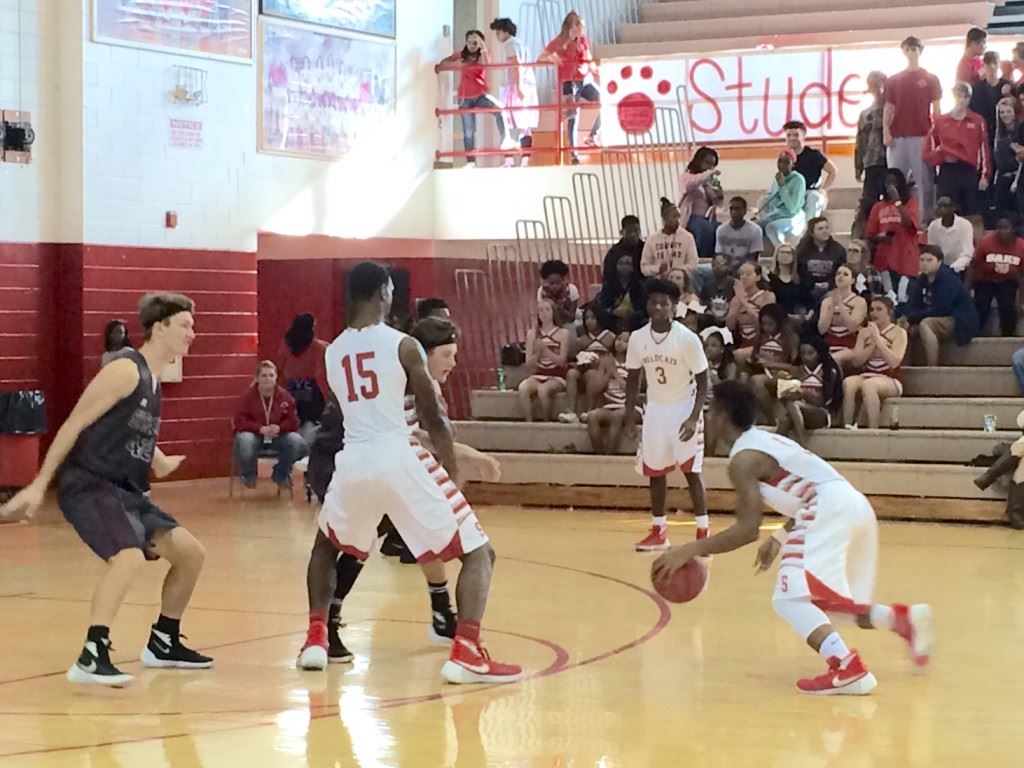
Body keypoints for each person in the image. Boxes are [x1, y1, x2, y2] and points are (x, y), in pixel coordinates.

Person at [299, 262, 520, 683]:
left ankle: (315, 638)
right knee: (478, 552)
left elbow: (347, 409)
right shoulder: (403, 345)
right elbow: (433, 416)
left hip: (354, 456)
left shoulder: (332, 352)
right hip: (398, 453)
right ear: (384, 293)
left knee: (327, 545)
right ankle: (468, 650)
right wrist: (452, 471)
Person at [652, 379, 934, 695]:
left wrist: (688, 550)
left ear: (721, 415)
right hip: (851, 505)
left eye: (708, 412)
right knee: (829, 605)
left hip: (828, 508)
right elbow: (805, 489)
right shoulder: (764, 440)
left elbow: (747, 530)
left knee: (789, 599)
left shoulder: (743, 460)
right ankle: (902, 620)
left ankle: (848, 667)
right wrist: (780, 538)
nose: (704, 420)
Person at [1, 293, 211, 686]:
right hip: (89, 484)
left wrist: (158, 458)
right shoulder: (125, 370)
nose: (192, 334)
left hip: (127, 491)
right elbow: (74, 423)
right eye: (185, 325)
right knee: (127, 556)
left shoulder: (152, 377)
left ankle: (164, 640)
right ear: (160, 327)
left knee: (190, 555)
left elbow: (130, 423)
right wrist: (38, 484)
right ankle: (91, 654)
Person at [323, 316, 499, 662]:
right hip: (372, 462)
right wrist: (464, 456)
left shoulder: (405, 374)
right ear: (424, 353)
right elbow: (415, 435)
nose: (453, 362)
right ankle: (455, 634)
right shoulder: (411, 379)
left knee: (393, 539)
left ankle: (435, 611)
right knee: (468, 546)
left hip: (363, 462)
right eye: (447, 355)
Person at [623, 278, 710, 552]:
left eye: (665, 303)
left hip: (684, 407)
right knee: (656, 472)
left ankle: (703, 532)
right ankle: (659, 531)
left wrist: (694, 416)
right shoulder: (637, 338)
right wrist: (629, 416)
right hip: (656, 411)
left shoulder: (687, 339)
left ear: (674, 307)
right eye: (654, 302)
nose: (658, 307)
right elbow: (633, 379)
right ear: (647, 305)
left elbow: (704, 379)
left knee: (691, 471)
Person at [884, 37, 942, 219]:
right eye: (908, 49)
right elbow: (889, 107)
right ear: (904, 52)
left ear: (920, 51)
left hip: (921, 135)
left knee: (924, 180)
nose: (911, 53)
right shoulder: (894, 80)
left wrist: (936, 135)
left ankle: (925, 218)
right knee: (895, 179)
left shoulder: (930, 79)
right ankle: (896, 217)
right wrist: (886, 131)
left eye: (915, 49)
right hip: (898, 136)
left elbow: (937, 109)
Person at [232, 360, 308, 490]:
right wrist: (260, 428)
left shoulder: (285, 396)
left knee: (297, 441)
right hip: (255, 436)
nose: (268, 379)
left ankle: (281, 473)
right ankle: (249, 475)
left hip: (277, 436)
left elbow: (294, 421)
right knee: (244, 439)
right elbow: (239, 422)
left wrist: (279, 428)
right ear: (257, 378)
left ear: (276, 377)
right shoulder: (247, 396)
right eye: (264, 375)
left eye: (271, 375)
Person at [436, 30, 507, 168]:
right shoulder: (461, 55)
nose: (471, 45)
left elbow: (487, 64)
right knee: (468, 131)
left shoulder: (483, 55)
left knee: (500, 109)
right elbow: (444, 63)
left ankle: (505, 140)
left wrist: (483, 47)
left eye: (475, 42)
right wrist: (455, 64)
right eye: (469, 42)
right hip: (465, 97)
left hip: (480, 94)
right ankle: (470, 161)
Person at [899, 246, 979, 366]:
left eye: (929, 260)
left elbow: (941, 309)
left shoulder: (948, 278)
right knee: (903, 324)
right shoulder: (922, 279)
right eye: (922, 260)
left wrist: (913, 317)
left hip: (959, 319)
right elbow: (913, 304)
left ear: (939, 262)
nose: (925, 264)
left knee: (926, 324)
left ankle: (932, 366)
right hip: (936, 317)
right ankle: (902, 365)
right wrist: (908, 319)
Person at [923, 82, 991, 224]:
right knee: (946, 213)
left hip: (969, 170)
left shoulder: (978, 121)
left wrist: (985, 175)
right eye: (959, 95)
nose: (962, 100)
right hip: (948, 170)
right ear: (954, 96)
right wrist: (941, 156)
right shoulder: (941, 121)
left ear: (969, 99)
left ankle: (973, 245)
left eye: (965, 96)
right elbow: (928, 148)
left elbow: (984, 148)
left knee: (972, 214)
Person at [541, 10, 600, 164]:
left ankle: (593, 134)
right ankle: (573, 153)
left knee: (603, 99)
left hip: (584, 78)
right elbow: (542, 56)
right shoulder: (559, 41)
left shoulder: (583, 40)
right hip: (569, 80)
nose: (582, 30)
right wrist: (554, 57)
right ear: (572, 26)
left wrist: (593, 69)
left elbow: (588, 57)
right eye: (580, 26)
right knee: (573, 115)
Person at [844, 297, 908, 429]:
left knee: (869, 385)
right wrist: (872, 344)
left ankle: (873, 429)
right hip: (867, 375)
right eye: (872, 309)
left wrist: (878, 340)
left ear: (889, 312)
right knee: (848, 383)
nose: (874, 313)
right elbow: (856, 361)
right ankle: (847, 426)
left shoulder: (899, 333)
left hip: (890, 379)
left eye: (879, 309)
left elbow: (894, 362)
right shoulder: (864, 332)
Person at [772, 336, 844, 447]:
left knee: (792, 406)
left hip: (821, 414)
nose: (806, 357)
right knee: (785, 418)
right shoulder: (798, 371)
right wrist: (786, 391)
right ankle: (776, 450)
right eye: (803, 353)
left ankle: (803, 444)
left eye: (810, 353)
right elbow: (783, 394)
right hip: (797, 411)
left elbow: (825, 402)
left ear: (819, 354)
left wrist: (803, 393)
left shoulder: (829, 372)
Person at [865, 168, 921, 304]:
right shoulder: (878, 207)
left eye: (894, 182)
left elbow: (910, 225)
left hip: (906, 261)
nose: (890, 186)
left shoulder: (911, 203)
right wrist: (881, 237)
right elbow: (869, 235)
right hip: (884, 261)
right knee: (888, 301)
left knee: (904, 301)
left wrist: (897, 202)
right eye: (888, 182)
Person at [489, 18, 538, 167]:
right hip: (528, 85)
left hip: (516, 86)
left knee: (508, 123)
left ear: (505, 32)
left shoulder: (510, 45)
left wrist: (518, 86)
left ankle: (509, 160)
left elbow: (516, 65)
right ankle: (525, 159)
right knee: (526, 125)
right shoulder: (522, 44)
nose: (497, 36)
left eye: (498, 32)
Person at [277, 313, 330, 446]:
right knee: (311, 426)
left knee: (294, 425)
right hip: (311, 392)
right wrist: (328, 399)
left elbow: (279, 370)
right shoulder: (320, 348)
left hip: (292, 390)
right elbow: (321, 376)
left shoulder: (287, 345)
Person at [968, 214, 1024, 336]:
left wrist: (1021, 301)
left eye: (1005, 228)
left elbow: (1022, 275)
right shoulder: (985, 241)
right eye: (999, 227)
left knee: (1008, 309)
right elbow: (973, 265)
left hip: (1008, 282)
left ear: (1013, 229)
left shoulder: (1021, 246)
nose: (1001, 231)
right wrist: (967, 288)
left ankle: (1007, 338)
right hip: (985, 281)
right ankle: (973, 335)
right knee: (980, 307)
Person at [559, 304, 614, 423]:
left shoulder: (609, 337)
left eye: (593, 318)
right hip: (585, 370)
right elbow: (576, 359)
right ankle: (571, 411)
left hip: (603, 373)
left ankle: (590, 410)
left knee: (591, 374)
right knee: (571, 374)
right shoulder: (582, 340)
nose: (589, 321)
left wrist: (601, 362)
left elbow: (615, 358)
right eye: (587, 318)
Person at [518, 298, 570, 421]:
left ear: (553, 312)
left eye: (547, 309)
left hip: (557, 375)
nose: (544, 313)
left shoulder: (563, 333)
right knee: (523, 388)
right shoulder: (532, 334)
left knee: (543, 390)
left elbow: (562, 361)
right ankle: (529, 422)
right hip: (538, 373)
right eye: (540, 310)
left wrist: (545, 350)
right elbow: (528, 363)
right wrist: (538, 353)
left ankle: (546, 421)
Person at [746, 303, 801, 420]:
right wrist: (756, 362)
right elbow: (753, 358)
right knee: (749, 379)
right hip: (765, 374)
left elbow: (796, 368)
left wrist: (772, 364)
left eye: (770, 324)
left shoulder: (790, 338)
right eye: (763, 324)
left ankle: (771, 420)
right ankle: (763, 418)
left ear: (779, 322)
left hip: (785, 376)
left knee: (757, 381)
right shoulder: (760, 337)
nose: (766, 327)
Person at [586, 331, 632, 455]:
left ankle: (609, 456)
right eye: (618, 339)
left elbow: (632, 391)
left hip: (629, 406)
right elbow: (596, 389)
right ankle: (599, 455)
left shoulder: (635, 363)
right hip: (609, 405)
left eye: (625, 341)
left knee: (616, 417)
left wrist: (615, 374)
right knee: (592, 417)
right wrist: (607, 373)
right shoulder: (606, 361)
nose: (620, 343)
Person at [855, 72, 889, 232]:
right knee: (868, 202)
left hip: (891, 162)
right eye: (873, 85)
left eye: (878, 84)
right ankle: (867, 234)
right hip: (871, 162)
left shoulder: (894, 110)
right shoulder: (864, 114)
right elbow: (860, 140)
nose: (876, 88)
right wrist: (858, 165)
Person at [785, 120, 837, 219]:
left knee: (813, 198)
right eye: (788, 135)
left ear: (803, 136)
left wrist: (824, 190)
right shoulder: (786, 157)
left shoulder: (814, 154)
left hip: (812, 193)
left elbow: (833, 171)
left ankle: (808, 231)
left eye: (796, 135)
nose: (792, 138)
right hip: (794, 196)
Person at [817, 265, 868, 368]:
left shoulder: (859, 301)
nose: (841, 276)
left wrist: (840, 305)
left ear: (853, 280)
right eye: (838, 273)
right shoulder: (827, 301)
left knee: (832, 359)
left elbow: (852, 327)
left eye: (845, 274)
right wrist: (832, 307)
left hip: (850, 347)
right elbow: (822, 330)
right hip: (829, 346)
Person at [755, 149, 807, 249]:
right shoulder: (777, 178)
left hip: (792, 217)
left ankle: (785, 253)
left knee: (771, 227)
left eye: (786, 162)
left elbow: (793, 208)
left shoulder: (798, 180)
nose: (782, 165)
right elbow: (773, 202)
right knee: (753, 227)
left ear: (793, 164)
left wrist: (783, 186)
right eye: (780, 161)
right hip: (777, 215)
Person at [678, 146, 723, 258]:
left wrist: (718, 193)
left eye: (712, 165)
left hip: (708, 218)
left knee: (721, 229)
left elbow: (716, 201)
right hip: (692, 218)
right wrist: (708, 174)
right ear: (699, 161)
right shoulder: (686, 177)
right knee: (703, 229)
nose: (710, 167)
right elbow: (692, 183)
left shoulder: (707, 182)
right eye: (707, 163)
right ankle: (700, 258)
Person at [641, 197, 699, 282]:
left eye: (678, 216)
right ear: (665, 218)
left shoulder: (687, 237)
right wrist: (658, 269)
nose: (678, 220)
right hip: (659, 282)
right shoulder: (652, 239)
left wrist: (677, 271)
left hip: (681, 282)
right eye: (674, 216)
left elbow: (693, 262)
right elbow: (644, 267)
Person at [795, 216, 847, 306]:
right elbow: (799, 272)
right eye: (820, 228)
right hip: (807, 289)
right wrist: (812, 285)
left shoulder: (838, 250)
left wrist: (829, 284)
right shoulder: (802, 250)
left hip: (830, 290)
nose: (825, 231)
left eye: (827, 227)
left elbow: (842, 271)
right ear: (812, 233)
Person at [728, 262, 775, 360]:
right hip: (743, 342)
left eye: (748, 274)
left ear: (758, 277)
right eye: (741, 274)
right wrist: (737, 301)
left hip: (764, 341)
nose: (744, 277)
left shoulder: (768, 296)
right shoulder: (736, 299)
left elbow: (763, 323)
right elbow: (730, 326)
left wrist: (744, 303)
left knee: (738, 355)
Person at [596, 245, 647, 333]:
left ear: (633, 267)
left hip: (635, 323)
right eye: (621, 263)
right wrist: (614, 312)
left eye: (628, 264)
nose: (624, 266)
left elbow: (642, 308)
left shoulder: (639, 286)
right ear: (615, 265)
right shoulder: (608, 285)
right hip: (612, 321)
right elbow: (604, 306)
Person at [991, 97, 1024, 223]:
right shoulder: (999, 134)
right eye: (1002, 112)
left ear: (1015, 112)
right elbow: (999, 160)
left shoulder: (1021, 131)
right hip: (1003, 181)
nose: (1005, 115)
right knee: (1002, 218)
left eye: (1008, 111)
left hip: (1019, 181)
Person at [927, 195, 974, 274]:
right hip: (939, 269)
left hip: (960, 269)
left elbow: (967, 253)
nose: (941, 209)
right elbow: (932, 250)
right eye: (939, 206)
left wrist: (952, 269)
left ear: (953, 208)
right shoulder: (933, 226)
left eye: (945, 206)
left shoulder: (965, 225)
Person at [715, 196, 764, 270]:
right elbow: (719, 254)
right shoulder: (721, 230)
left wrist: (737, 266)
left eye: (737, 209)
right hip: (726, 268)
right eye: (731, 209)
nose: (734, 212)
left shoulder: (755, 230)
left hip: (747, 267)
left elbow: (753, 257)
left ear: (745, 211)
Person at [768, 243, 810, 323]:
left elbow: (808, 301)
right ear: (776, 256)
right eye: (782, 252)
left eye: (788, 253)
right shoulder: (769, 279)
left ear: (793, 257)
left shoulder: (801, 278)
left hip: (798, 317)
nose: (785, 255)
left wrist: (808, 314)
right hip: (777, 318)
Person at [537, 259, 580, 326]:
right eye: (551, 284)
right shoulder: (541, 292)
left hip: (567, 322)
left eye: (557, 283)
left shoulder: (571, 289)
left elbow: (571, 318)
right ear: (546, 282)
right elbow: (542, 316)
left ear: (563, 280)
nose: (554, 286)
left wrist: (560, 309)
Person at [699, 254, 736, 328]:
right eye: (714, 264)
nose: (717, 267)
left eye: (720, 264)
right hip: (711, 324)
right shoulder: (707, 286)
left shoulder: (735, 285)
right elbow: (703, 305)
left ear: (729, 267)